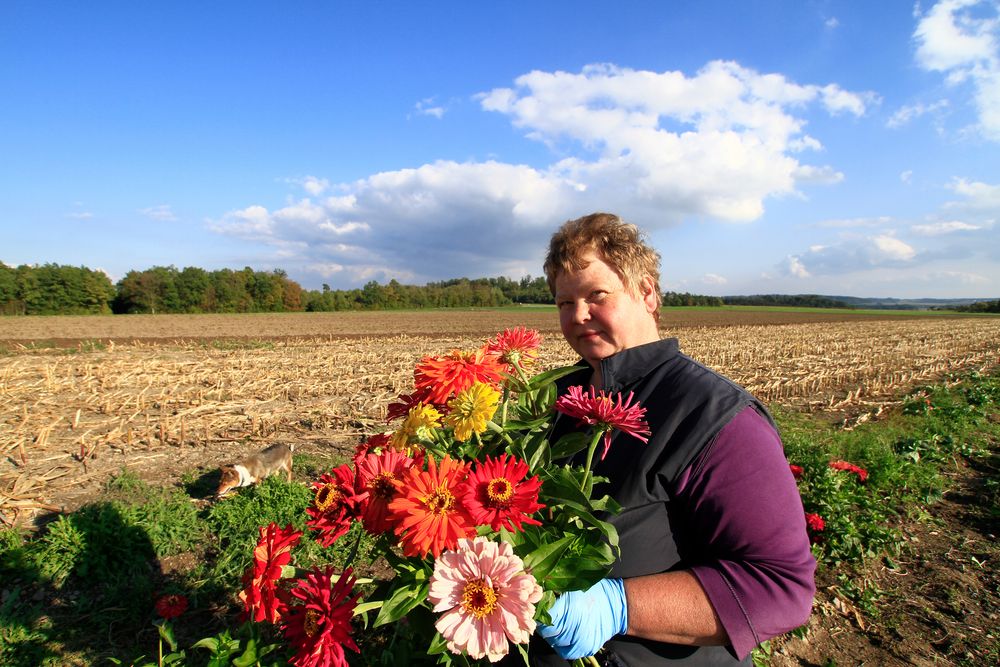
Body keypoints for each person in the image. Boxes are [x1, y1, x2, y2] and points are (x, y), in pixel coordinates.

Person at [526, 213, 815, 666]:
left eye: (596, 295)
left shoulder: (712, 414)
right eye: (564, 303)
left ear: (647, 293)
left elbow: (779, 587)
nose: (579, 315)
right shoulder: (561, 399)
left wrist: (618, 607)